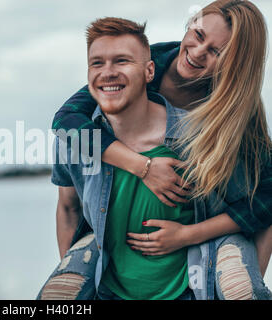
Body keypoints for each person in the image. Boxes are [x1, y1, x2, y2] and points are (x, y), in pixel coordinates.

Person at [39, 0, 272, 300]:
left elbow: (265, 200)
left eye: (217, 52)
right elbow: (66, 121)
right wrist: (143, 167)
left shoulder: (235, 111)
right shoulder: (146, 63)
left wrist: (190, 237)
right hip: (118, 249)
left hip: (196, 247)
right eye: (199, 36)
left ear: (235, 64)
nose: (198, 52)